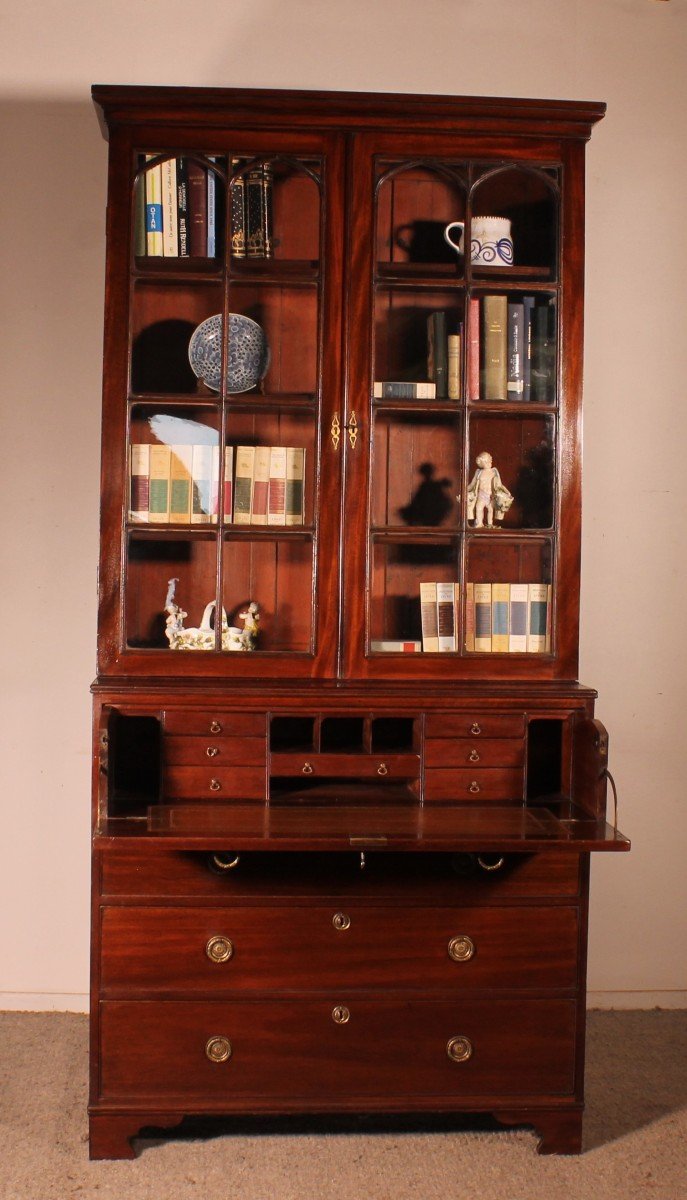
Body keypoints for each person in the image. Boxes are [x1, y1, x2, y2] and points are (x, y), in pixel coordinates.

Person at [467, 451, 513, 527]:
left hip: (490, 496)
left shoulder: (494, 472)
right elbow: (472, 484)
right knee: (478, 509)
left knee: (490, 510)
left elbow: (500, 485)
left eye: (490, 461)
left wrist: (507, 491)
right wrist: (464, 490)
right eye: (488, 461)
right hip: (481, 495)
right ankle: (479, 523)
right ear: (484, 462)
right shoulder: (478, 472)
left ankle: (490, 524)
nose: (490, 462)